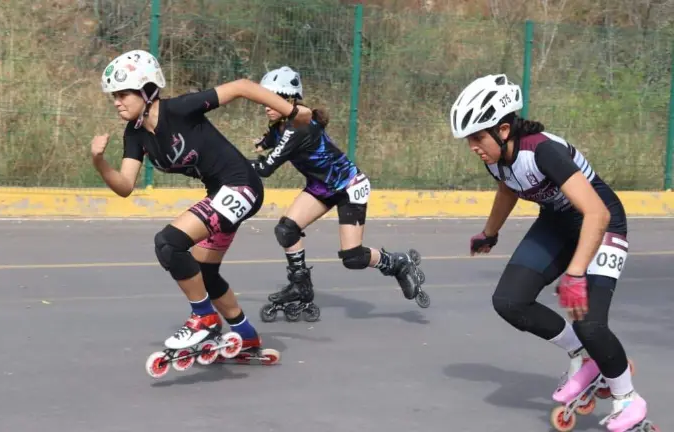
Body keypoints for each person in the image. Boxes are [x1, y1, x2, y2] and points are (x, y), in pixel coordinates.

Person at [450, 74, 655, 432]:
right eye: (468, 139)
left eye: (477, 137)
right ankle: (584, 358)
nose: (472, 146)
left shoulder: (543, 151)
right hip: (559, 222)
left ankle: (627, 398)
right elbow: (508, 189)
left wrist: (575, 274)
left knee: (590, 321)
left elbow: (597, 213)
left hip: (601, 222)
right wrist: (490, 232)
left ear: (502, 130)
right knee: (510, 301)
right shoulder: (494, 157)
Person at [91, 50, 312, 371]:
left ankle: (204, 317)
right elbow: (125, 185)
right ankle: (246, 337)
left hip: (242, 186)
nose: (116, 102)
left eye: (123, 94)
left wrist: (293, 112)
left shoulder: (178, 109)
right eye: (114, 96)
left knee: (169, 243)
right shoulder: (135, 135)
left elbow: (240, 86)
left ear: (147, 90)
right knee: (204, 273)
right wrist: (99, 162)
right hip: (221, 193)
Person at [249, 66, 429, 324]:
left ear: (289, 100)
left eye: (272, 98)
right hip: (321, 186)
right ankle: (301, 286)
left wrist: (232, 164)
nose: (266, 105)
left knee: (353, 258)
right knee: (286, 230)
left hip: (348, 187)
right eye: (264, 99)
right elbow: (273, 138)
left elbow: (266, 168)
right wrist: (264, 142)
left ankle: (397, 262)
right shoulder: (281, 125)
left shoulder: (298, 129)